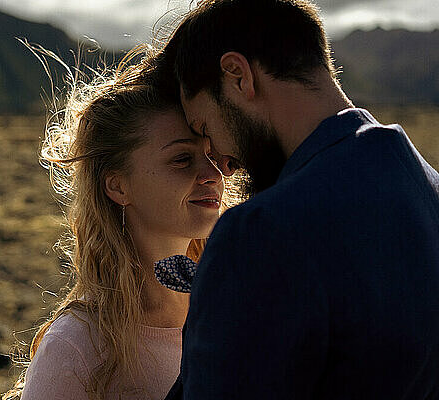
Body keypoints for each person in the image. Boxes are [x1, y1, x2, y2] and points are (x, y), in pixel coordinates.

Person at [150, 0, 439, 399]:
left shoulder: (262, 232)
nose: (225, 166)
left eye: (206, 127)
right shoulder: (429, 190)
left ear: (237, 76)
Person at [2, 49, 243, 400]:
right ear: (118, 186)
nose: (213, 174)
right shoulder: (78, 346)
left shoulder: (235, 306)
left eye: (212, 153)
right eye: (181, 159)